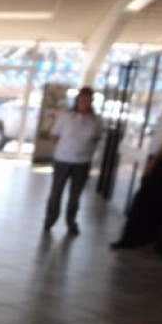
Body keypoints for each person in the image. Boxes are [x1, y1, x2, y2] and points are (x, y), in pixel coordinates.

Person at [112, 77, 162, 249]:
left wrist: (155, 161)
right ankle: (144, 236)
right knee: (150, 199)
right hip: (155, 157)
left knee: (143, 199)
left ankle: (132, 238)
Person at [44, 86, 102, 235]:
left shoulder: (95, 120)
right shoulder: (65, 116)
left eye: (87, 99)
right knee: (56, 191)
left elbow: (96, 138)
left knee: (75, 195)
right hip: (63, 159)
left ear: (91, 101)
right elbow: (55, 135)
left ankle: (71, 222)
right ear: (77, 99)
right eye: (81, 98)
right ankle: (50, 219)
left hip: (82, 162)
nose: (84, 101)